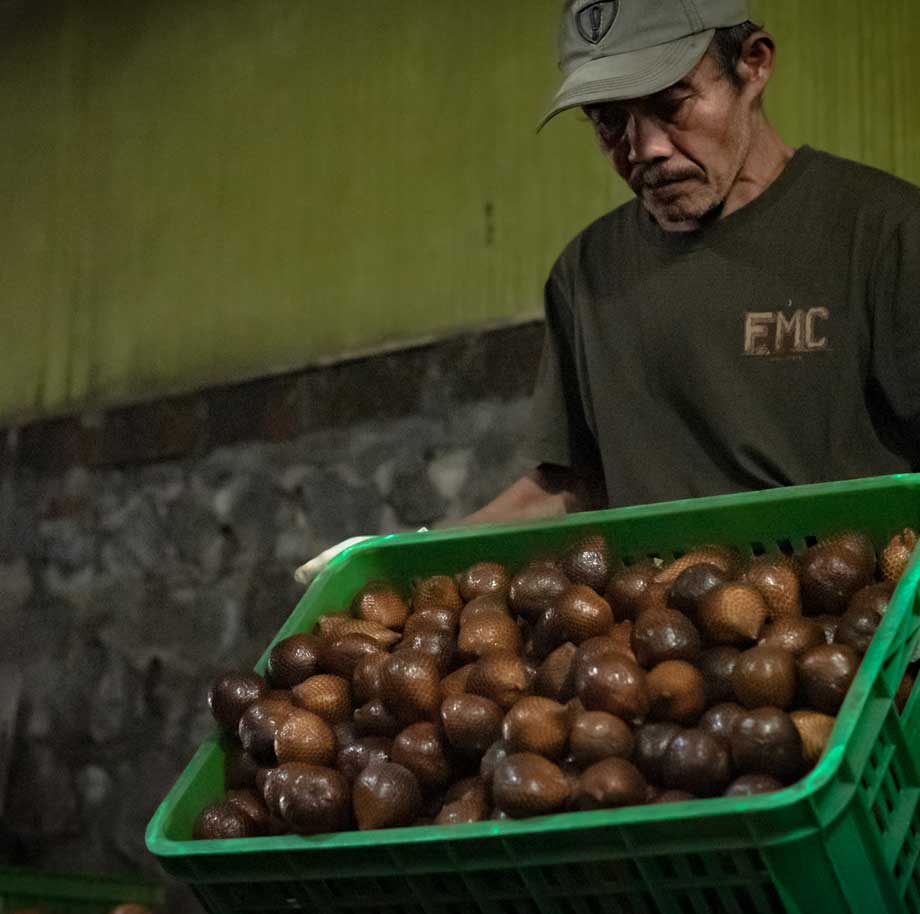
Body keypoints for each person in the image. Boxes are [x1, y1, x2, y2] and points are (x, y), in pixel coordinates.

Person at [297, 0, 919, 583]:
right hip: (660, 663)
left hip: (861, 649)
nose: (644, 148)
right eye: (610, 122)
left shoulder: (886, 235)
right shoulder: (586, 275)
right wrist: (407, 556)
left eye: (673, 105)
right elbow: (573, 486)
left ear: (753, 65)